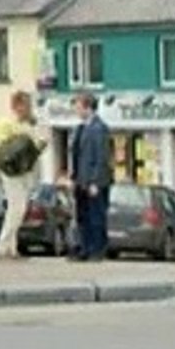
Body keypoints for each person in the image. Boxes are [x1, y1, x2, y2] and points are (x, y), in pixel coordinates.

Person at [0, 91, 45, 259]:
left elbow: (39, 144)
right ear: (16, 106)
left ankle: (11, 248)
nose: (27, 109)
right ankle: (1, 245)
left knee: (16, 209)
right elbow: (2, 148)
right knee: (17, 209)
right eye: (24, 105)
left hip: (26, 170)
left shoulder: (31, 123)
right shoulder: (6, 123)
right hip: (12, 171)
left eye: (28, 106)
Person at [70, 92, 112, 261]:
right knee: (82, 217)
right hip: (81, 180)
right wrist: (74, 179)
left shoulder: (99, 128)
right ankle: (85, 248)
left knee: (96, 217)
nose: (76, 111)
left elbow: (101, 157)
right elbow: (77, 155)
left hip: (94, 182)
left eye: (78, 107)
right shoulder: (80, 128)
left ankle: (97, 249)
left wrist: (95, 181)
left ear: (88, 107)